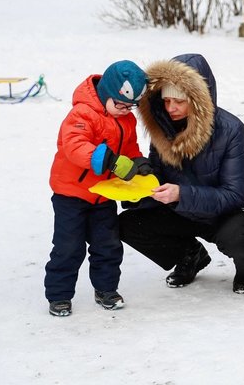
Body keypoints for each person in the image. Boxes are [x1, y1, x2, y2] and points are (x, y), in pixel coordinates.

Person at [118, 53, 244, 294]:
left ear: (199, 99)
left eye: (180, 101)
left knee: (241, 235)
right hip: (182, 210)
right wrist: (135, 187)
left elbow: (233, 195)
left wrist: (181, 194)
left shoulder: (231, 130)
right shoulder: (162, 126)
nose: (171, 108)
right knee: (128, 224)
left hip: (227, 215)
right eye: (166, 100)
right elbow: (157, 175)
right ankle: (190, 255)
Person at [44, 60, 150, 317]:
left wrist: (138, 162)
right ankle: (59, 295)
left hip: (104, 194)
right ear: (107, 94)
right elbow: (75, 146)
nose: (125, 110)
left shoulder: (125, 120)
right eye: (121, 104)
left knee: (108, 245)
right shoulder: (82, 114)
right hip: (71, 194)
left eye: (131, 106)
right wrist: (109, 162)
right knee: (69, 247)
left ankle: (106, 289)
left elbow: (129, 148)